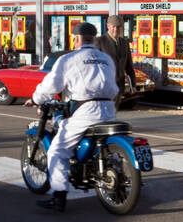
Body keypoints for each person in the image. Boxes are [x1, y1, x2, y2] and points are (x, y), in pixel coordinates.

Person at [26, 21, 118, 212]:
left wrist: (36, 98)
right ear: (94, 39)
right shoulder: (106, 58)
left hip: (86, 111)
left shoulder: (69, 59)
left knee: (57, 151)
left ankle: (59, 196)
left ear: (76, 39)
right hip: (110, 108)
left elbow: (51, 85)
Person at [96, 15, 137, 110]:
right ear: (108, 26)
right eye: (113, 26)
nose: (116, 29)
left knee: (113, 114)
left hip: (119, 86)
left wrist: (133, 85)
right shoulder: (100, 41)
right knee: (104, 114)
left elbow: (129, 66)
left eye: (118, 27)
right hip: (104, 87)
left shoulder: (124, 43)